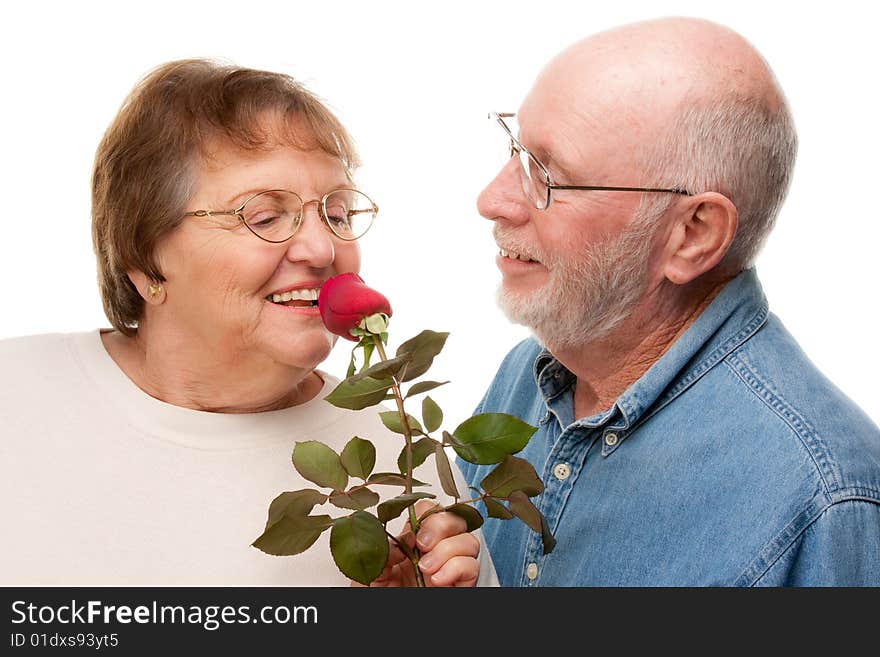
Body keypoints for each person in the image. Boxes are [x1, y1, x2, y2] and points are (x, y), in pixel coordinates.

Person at [0, 58, 493, 587]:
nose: (322, 247)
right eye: (263, 216)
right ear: (144, 261)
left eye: (338, 213)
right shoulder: (17, 393)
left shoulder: (411, 470)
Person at [457, 17, 880, 586]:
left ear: (693, 235)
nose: (492, 199)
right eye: (517, 148)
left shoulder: (824, 500)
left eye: (547, 174)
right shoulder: (525, 377)